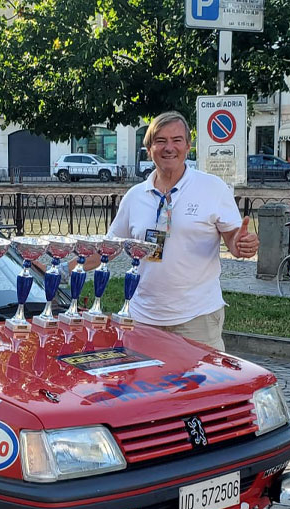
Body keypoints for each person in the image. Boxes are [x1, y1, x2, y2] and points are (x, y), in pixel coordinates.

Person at [103, 111, 259, 352]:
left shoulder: (212, 187)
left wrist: (241, 244)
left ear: (188, 146)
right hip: (143, 317)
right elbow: (108, 248)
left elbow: (233, 239)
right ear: (149, 149)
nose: (169, 148)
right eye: (160, 141)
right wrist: (61, 266)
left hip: (197, 319)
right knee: (145, 378)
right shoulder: (135, 196)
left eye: (177, 140)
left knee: (202, 378)